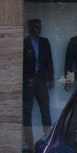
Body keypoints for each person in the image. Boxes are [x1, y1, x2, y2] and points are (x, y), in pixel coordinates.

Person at [22, 18, 55, 146]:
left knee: (45, 109)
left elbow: (49, 60)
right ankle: (29, 142)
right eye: (36, 27)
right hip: (28, 79)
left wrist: (51, 77)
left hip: (41, 78)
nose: (39, 29)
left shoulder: (44, 42)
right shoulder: (25, 43)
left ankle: (48, 138)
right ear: (30, 28)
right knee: (27, 111)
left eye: (40, 26)